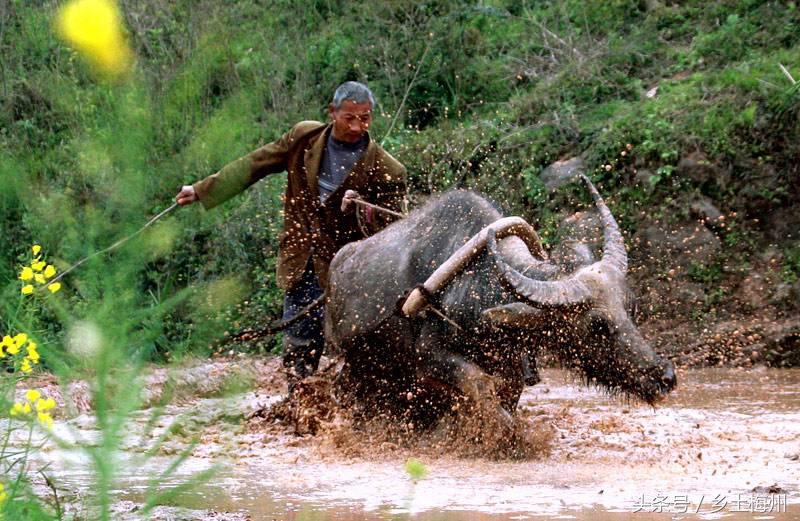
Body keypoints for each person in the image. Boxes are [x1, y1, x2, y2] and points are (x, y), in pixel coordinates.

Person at [176, 81, 407, 386]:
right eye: (349, 118)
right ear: (332, 112)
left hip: (354, 274)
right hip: (303, 259)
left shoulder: (387, 168)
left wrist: (363, 209)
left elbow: (394, 232)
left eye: (364, 118)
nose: (357, 126)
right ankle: (299, 407)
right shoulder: (304, 137)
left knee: (360, 350)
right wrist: (202, 190)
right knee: (299, 349)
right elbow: (254, 164)